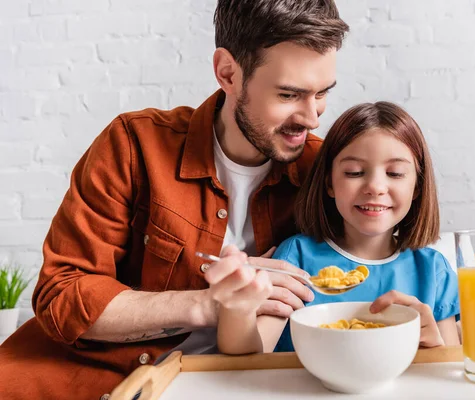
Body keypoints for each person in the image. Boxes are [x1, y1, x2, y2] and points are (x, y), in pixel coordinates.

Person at [0, 1, 349, 398]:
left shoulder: (324, 173)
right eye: (289, 94)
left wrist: (428, 322)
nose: (313, 117)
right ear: (228, 73)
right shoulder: (134, 145)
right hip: (79, 378)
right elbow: (61, 295)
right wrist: (208, 305)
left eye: (322, 93)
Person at [213, 101, 461, 355]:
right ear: (329, 183)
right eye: (354, 172)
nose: (375, 187)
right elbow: (250, 354)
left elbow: (449, 369)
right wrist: (237, 308)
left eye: (395, 173)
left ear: (417, 187)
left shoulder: (432, 270)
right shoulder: (296, 258)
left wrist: (435, 350)